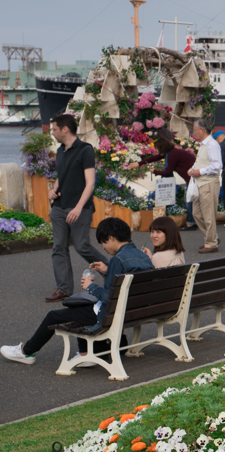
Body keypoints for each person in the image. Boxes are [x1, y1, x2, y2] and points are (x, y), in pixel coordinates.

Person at [2, 217, 153, 366]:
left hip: (112, 314)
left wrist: (90, 286)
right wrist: (108, 271)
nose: (103, 248)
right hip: (135, 311)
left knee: (54, 316)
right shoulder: (143, 256)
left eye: (103, 242)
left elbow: (107, 296)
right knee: (80, 307)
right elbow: (125, 283)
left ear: (112, 238)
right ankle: (90, 351)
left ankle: (26, 352)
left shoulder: (117, 259)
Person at [45, 113, 107, 303]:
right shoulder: (60, 151)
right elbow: (61, 176)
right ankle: (63, 289)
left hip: (80, 209)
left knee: (82, 246)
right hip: (59, 207)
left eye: (54, 129)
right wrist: (53, 191)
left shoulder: (85, 150)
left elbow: (90, 183)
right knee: (58, 248)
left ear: (65, 129)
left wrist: (78, 208)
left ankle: (114, 271)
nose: (52, 133)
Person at [185, 118, 223, 253]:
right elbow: (202, 161)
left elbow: (217, 165)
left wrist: (199, 171)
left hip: (208, 182)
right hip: (201, 182)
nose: (194, 133)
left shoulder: (212, 144)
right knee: (197, 214)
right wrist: (193, 169)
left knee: (208, 214)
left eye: (195, 130)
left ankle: (211, 243)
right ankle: (211, 237)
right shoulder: (204, 144)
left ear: (202, 130)